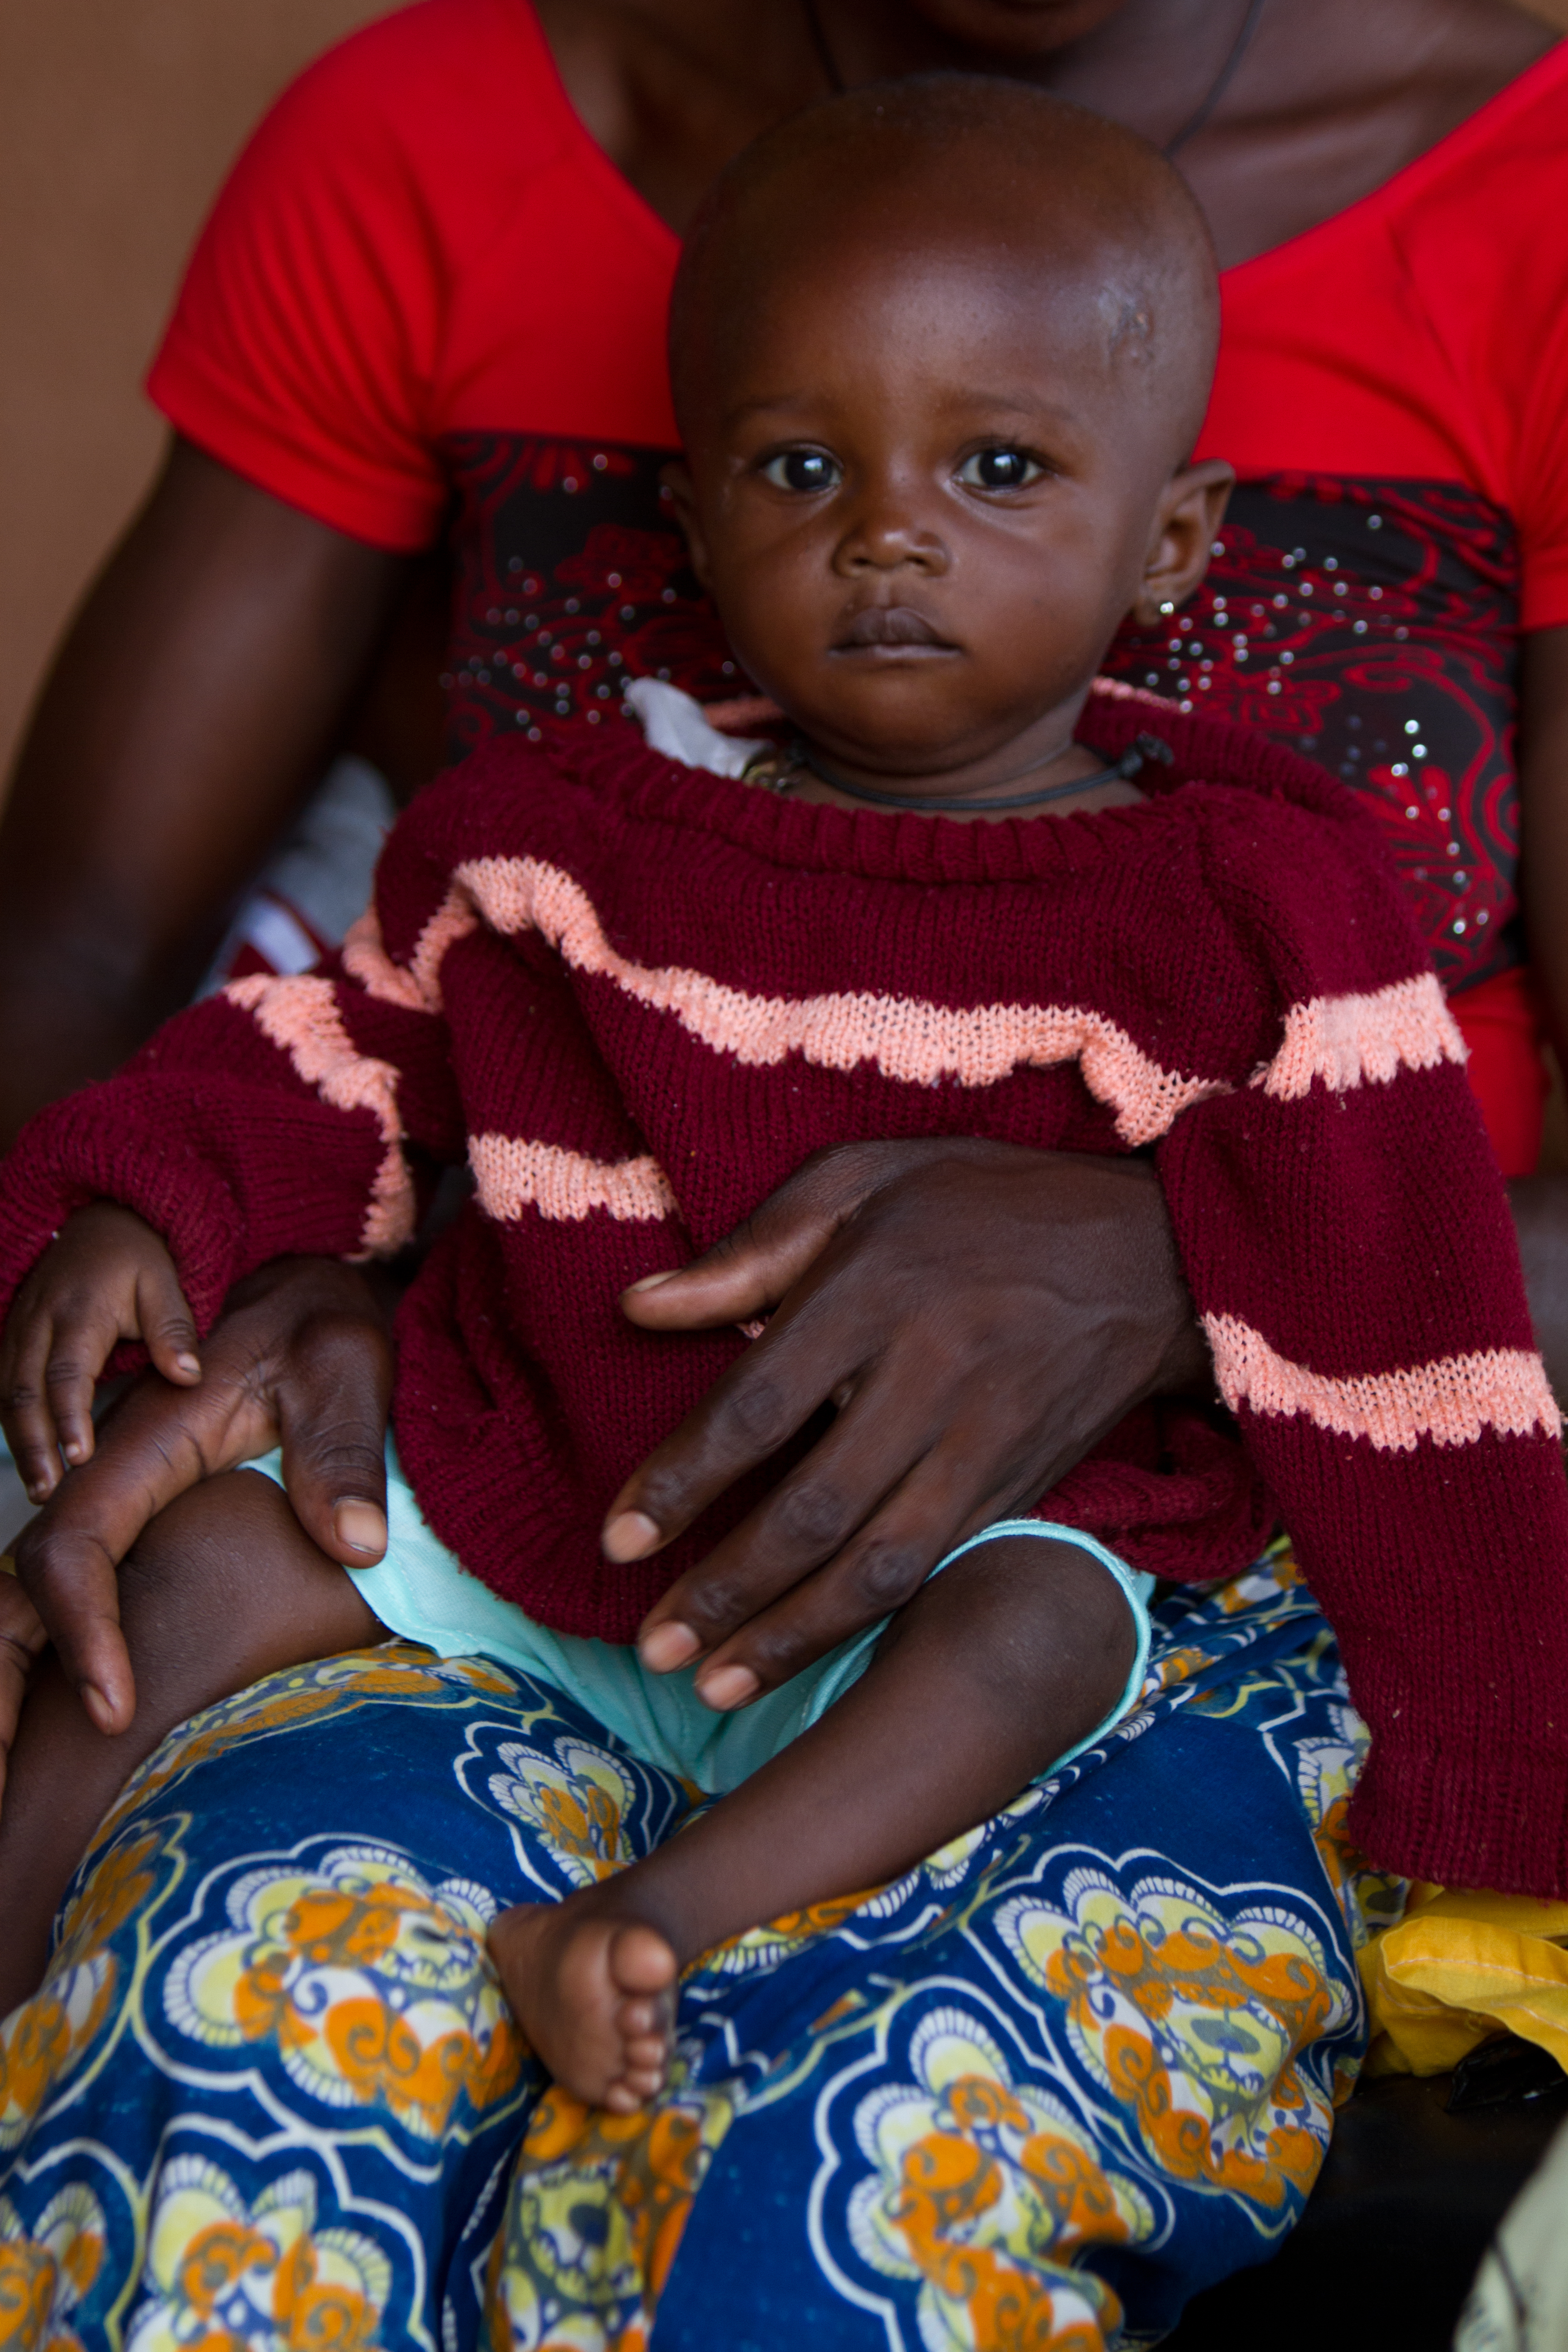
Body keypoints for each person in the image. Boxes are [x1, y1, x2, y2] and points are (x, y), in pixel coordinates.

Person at [5, 86, 1568, 2345]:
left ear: (1174, 544)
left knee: (1041, 1630)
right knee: (213, 1565)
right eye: (806, 471)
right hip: (548, 1519)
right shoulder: (562, 828)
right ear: (698, 510)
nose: (891, 544)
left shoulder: (1249, 892)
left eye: (1000, 473)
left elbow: (1410, 1338)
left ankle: (664, 1915)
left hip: (995, 1577)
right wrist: (150, 1206)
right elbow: (330, 1046)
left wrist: (1499, 1798)